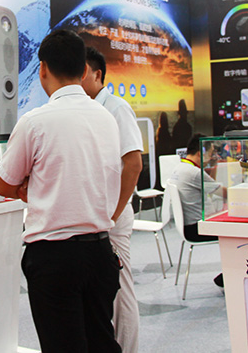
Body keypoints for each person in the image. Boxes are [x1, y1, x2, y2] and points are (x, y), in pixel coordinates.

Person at [0, 29, 122, 352]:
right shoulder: (107, 118)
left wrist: (33, 186)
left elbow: (4, 184)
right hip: (100, 250)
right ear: (84, 69)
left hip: (54, 256)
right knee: (101, 342)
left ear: (42, 69)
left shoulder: (34, 122)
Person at [82, 46, 142, 353]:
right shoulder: (84, 110)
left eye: (81, 72)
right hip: (93, 216)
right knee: (99, 293)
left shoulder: (116, 108)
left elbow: (133, 164)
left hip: (112, 217)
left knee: (120, 293)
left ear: (97, 75)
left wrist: (114, 214)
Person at [168, 133, 224, 287]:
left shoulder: (180, 168)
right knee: (238, 232)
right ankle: (228, 276)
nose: (212, 157)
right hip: (198, 229)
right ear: (200, 153)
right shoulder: (194, 173)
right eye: (211, 153)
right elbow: (223, 193)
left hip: (188, 227)